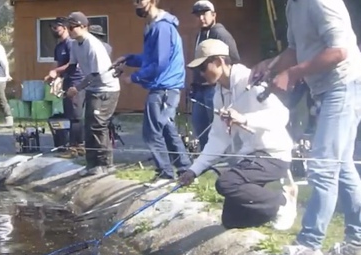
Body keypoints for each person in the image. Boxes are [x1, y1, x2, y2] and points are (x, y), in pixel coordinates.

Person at [251, 0, 361, 255]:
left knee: (323, 166)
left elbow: (338, 51)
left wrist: (293, 73)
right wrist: (270, 66)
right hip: (331, 90)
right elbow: (296, 49)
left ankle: (309, 245)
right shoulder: (294, 5)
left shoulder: (320, 2)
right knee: (342, 165)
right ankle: (359, 241)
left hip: (347, 86)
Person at [179, 39, 296, 230]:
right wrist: (194, 170)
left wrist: (244, 119)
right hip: (251, 157)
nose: (200, 74)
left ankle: (282, 202)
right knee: (232, 220)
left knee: (225, 183)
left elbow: (282, 115)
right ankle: (270, 207)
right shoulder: (219, 95)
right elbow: (218, 138)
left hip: (274, 155)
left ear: (219, 61)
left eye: (203, 67)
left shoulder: (251, 79)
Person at [113, 0, 192, 187]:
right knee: (166, 127)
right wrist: (128, 58)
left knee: (151, 132)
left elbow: (159, 63)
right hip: (166, 87)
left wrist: (133, 78)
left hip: (163, 87)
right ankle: (184, 168)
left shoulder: (162, 28)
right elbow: (150, 59)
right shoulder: (154, 27)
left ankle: (165, 174)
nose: (136, 5)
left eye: (140, 1)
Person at [65, 12, 120, 176]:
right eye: (68, 27)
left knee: (98, 126)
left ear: (83, 26)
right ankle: (92, 164)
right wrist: (61, 79)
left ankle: (106, 164)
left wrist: (77, 88)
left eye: (72, 27)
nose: (69, 30)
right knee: (88, 126)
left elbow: (95, 74)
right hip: (92, 89)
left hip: (106, 89)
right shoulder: (75, 44)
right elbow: (72, 66)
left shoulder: (93, 45)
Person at [189, 1, 240, 151]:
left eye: (204, 14)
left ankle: (224, 157)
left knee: (218, 126)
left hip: (214, 88)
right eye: (197, 15)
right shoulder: (200, 35)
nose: (201, 18)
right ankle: (207, 157)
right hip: (199, 89)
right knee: (200, 125)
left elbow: (234, 59)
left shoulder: (220, 34)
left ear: (214, 15)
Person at [44, 17, 85, 155]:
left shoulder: (71, 44)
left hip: (77, 81)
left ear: (65, 27)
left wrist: (56, 72)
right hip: (66, 82)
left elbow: (72, 64)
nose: (53, 30)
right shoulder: (58, 46)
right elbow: (56, 64)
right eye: (52, 27)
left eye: (56, 27)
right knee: (69, 114)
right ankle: (73, 146)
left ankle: (78, 146)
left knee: (76, 115)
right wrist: (52, 77)